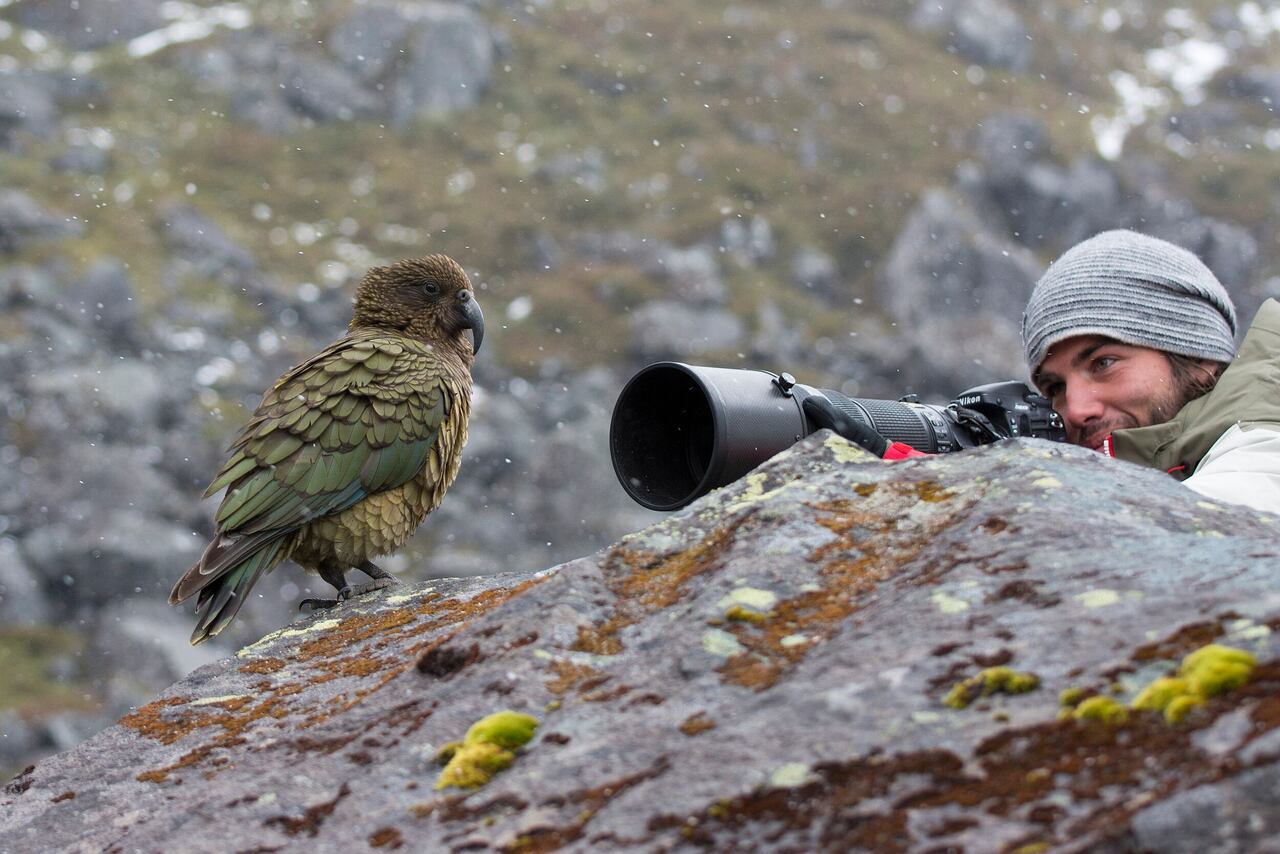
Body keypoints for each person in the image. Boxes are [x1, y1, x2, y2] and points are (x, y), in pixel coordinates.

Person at [1022, 229, 1280, 515]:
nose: (1075, 410)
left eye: (1104, 363)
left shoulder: (1260, 463)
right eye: (1056, 388)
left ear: (1197, 357)